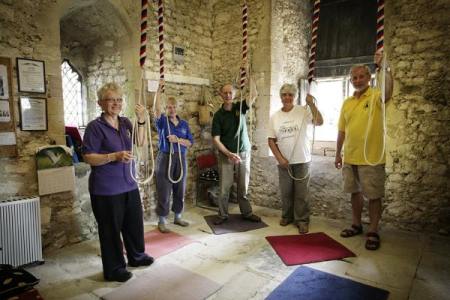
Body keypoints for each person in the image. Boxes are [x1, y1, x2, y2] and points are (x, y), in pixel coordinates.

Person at [82, 82, 154, 282]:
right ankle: (114, 269)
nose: (116, 103)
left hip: (129, 184)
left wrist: (141, 120)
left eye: (119, 99)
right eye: (111, 99)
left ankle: (137, 257)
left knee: (133, 224)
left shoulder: (125, 123)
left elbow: (140, 142)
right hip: (106, 189)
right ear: (100, 103)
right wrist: (113, 156)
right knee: (111, 231)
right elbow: (88, 156)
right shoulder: (95, 127)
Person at [335, 51, 393, 250]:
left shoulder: (376, 95)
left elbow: (388, 92)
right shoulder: (347, 103)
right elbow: (342, 130)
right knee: (355, 193)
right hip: (351, 156)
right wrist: (337, 153)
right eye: (354, 77)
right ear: (351, 80)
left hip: (372, 157)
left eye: (361, 77)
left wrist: (384, 67)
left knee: (374, 195)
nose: (357, 80)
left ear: (369, 78)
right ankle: (357, 224)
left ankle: (374, 230)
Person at [268, 84, 323, 234]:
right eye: (285, 94)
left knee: (302, 193)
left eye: (290, 95)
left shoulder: (304, 111)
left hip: (302, 159)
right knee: (286, 192)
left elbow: (319, 121)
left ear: (295, 97)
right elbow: (271, 140)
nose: (287, 97)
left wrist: (311, 104)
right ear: (281, 97)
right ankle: (287, 216)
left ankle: (302, 220)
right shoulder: (275, 117)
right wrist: (280, 159)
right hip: (284, 161)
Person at [211, 83, 261, 225]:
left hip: (244, 152)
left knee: (243, 186)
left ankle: (247, 213)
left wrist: (250, 75)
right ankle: (222, 215)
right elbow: (216, 139)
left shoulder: (240, 107)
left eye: (230, 92)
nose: (227, 95)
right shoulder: (218, 116)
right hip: (226, 156)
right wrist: (228, 154)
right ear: (221, 95)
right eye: (225, 93)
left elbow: (254, 94)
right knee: (224, 187)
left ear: (234, 94)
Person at [154, 87, 194, 233]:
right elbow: (156, 109)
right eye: (169, 107)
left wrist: (177, 140)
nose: (171, 109)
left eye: (173, 107)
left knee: (180, 188)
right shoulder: (163, 122)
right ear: (166, 109)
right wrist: (159, 90)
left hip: (181, 158)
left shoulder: (184, 124)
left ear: (177, 108)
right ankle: (162, 220)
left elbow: (190, 142)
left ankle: (178, 216)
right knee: (164, 189)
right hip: (165, 157)